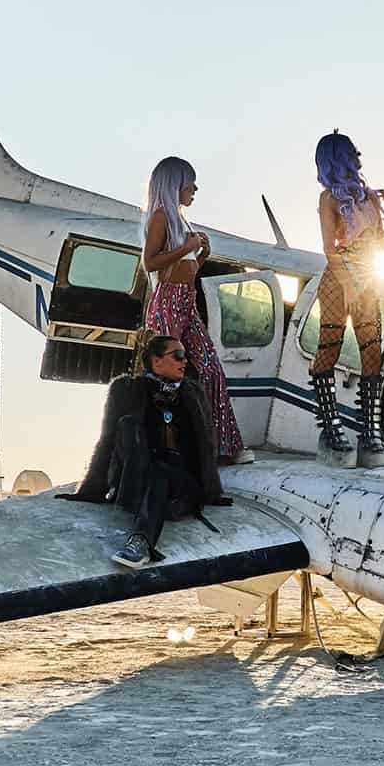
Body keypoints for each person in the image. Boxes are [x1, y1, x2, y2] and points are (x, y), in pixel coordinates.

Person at [61, 334, 229, 569]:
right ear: (156, 361)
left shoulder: (192, 393)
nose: (185, 361)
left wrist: (212, 491)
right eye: (178, 355)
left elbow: (206, 444)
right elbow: (108, 440)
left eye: (186, 356)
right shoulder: (127, 390)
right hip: (137, 477)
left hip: (180, 485)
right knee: (127, 425)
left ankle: (140, 541)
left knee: (162, 470)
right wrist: (91, 490)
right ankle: (138, 535)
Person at [139, 155, 248, 464]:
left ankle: (222, 447)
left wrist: (199, 257)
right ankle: (165, 447)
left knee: (211, 368)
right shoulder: (160, 216)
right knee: (167, 376)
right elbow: (150, 263)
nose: (195, 188)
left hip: (186, 301)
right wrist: (186, 248)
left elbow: (183, 270)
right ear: (175, 184)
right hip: (168, 304)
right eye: (190, 182)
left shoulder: (179, 220)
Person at [310, 131, 384, 463]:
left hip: (369, 280)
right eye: (352, 151)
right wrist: (348, 284)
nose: (359, 154)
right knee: (328, 349)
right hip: (339, 280)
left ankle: (371, 432)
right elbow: (328, 248)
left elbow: (380, 247)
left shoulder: (370, 198)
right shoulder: (328, 199)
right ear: (340, 157)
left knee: (371, 353)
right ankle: (331, 428)